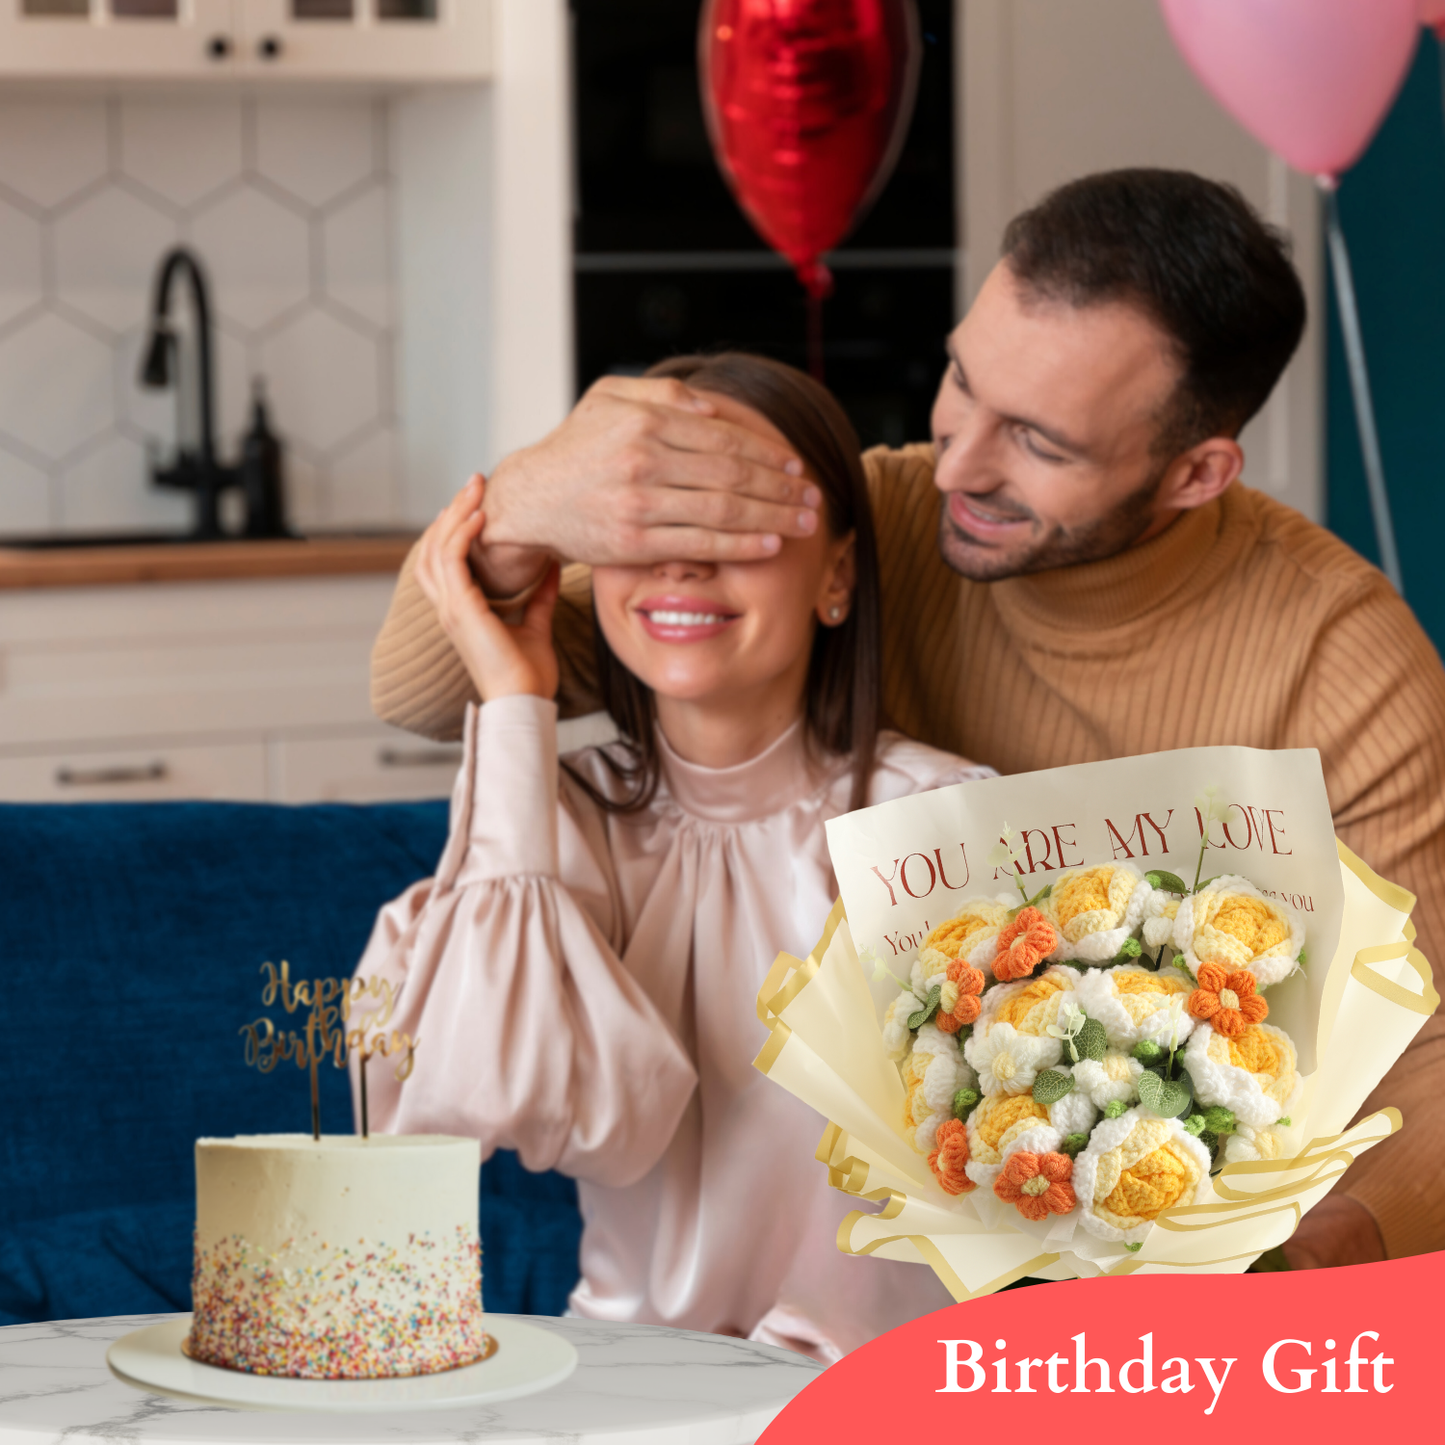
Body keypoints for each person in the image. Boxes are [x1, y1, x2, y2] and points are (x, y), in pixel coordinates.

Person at [370, 169, 1445, 1271]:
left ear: (1192, 473)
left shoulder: (1338, 659)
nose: (959, 461)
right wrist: (522, 504)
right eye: (960, 382)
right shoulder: (875, 519)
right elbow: (422, 688)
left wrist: (1299, 1261)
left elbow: (1426, 1041)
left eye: (1039, 441)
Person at [354, 353, 993, 1361]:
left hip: (870, 1397)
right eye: (646, 526)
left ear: (836, 574)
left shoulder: (949, 829)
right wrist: (512, 704)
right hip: (626, 1390)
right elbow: (486, 1089)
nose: (683, 564)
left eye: (737, 524)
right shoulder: (559, 817)